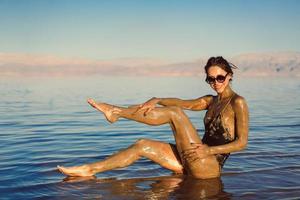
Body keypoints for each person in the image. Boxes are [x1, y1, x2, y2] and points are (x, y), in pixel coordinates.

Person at [57, 56, 249, 179]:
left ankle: (115, 112)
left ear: (229, 76)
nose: (215, 83)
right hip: (192, 160)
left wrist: (209, 151)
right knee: (142, 145)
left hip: (209, 166)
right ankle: (89, 170)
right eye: (210, 79)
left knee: (175, 114)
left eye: (220, 78)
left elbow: (242, 143)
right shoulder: (210, 101)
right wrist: (158, 99)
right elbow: (184, 103)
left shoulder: (237, 102)